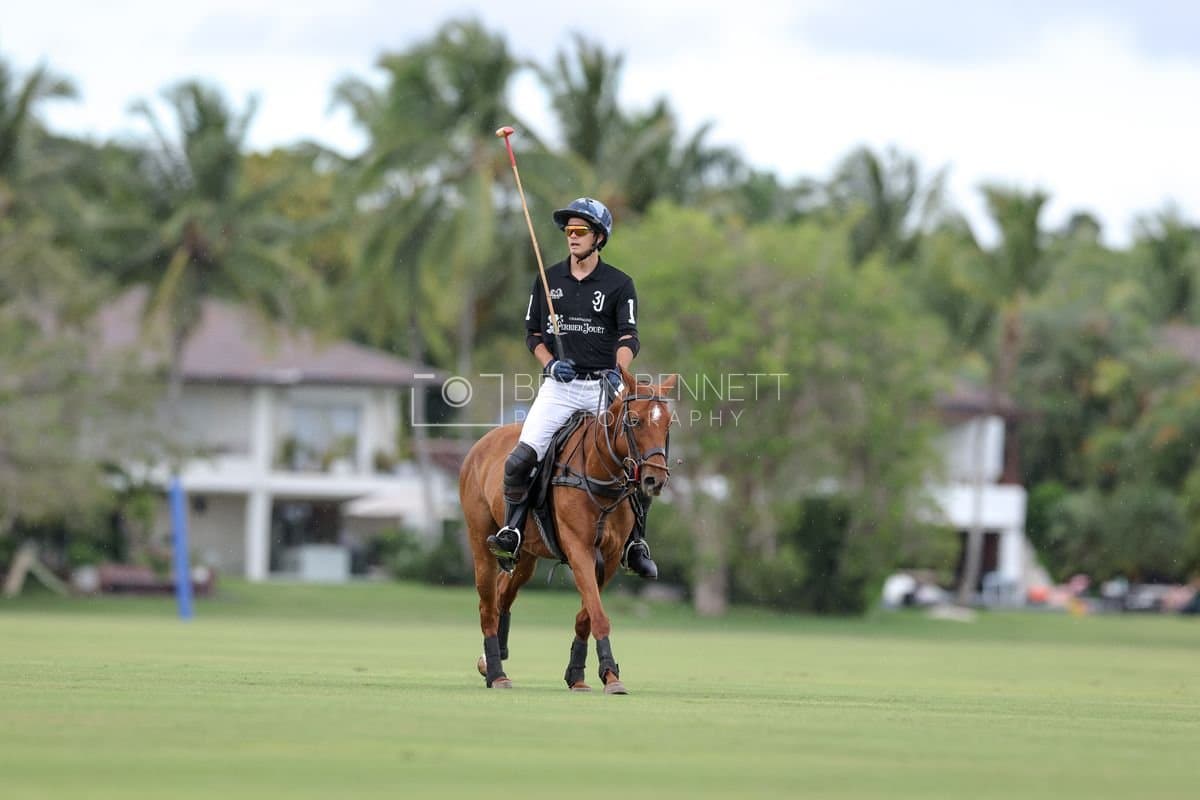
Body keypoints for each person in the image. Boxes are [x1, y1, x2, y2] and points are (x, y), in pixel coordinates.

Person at [486, 197, 658, 579]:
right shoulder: (548, 281)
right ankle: (512, 531)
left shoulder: (619, 284)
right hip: (560, 387)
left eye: (580, 231)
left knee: (638, 461)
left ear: (599, 237)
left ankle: (635, 543)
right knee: (520, 460)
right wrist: (550, 363)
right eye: (568, 231)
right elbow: (532, 334)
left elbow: (630, 337)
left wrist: (619, 371)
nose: (572, 237)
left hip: (603, 385)